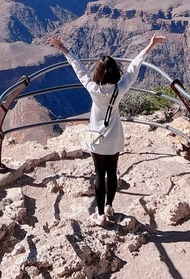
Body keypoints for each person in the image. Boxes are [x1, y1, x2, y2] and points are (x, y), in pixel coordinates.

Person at [47, 33, 166, 226]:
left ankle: (100, 213)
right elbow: (135, 67)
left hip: (97, 137)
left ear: (99, 73)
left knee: (99, 173)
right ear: (115, 72)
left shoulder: (93, 88)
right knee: (112, 172)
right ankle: (110, 205)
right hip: (115, 136)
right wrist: (149, 46)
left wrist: (62, 47)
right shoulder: (121, 88)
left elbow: (78, 68)